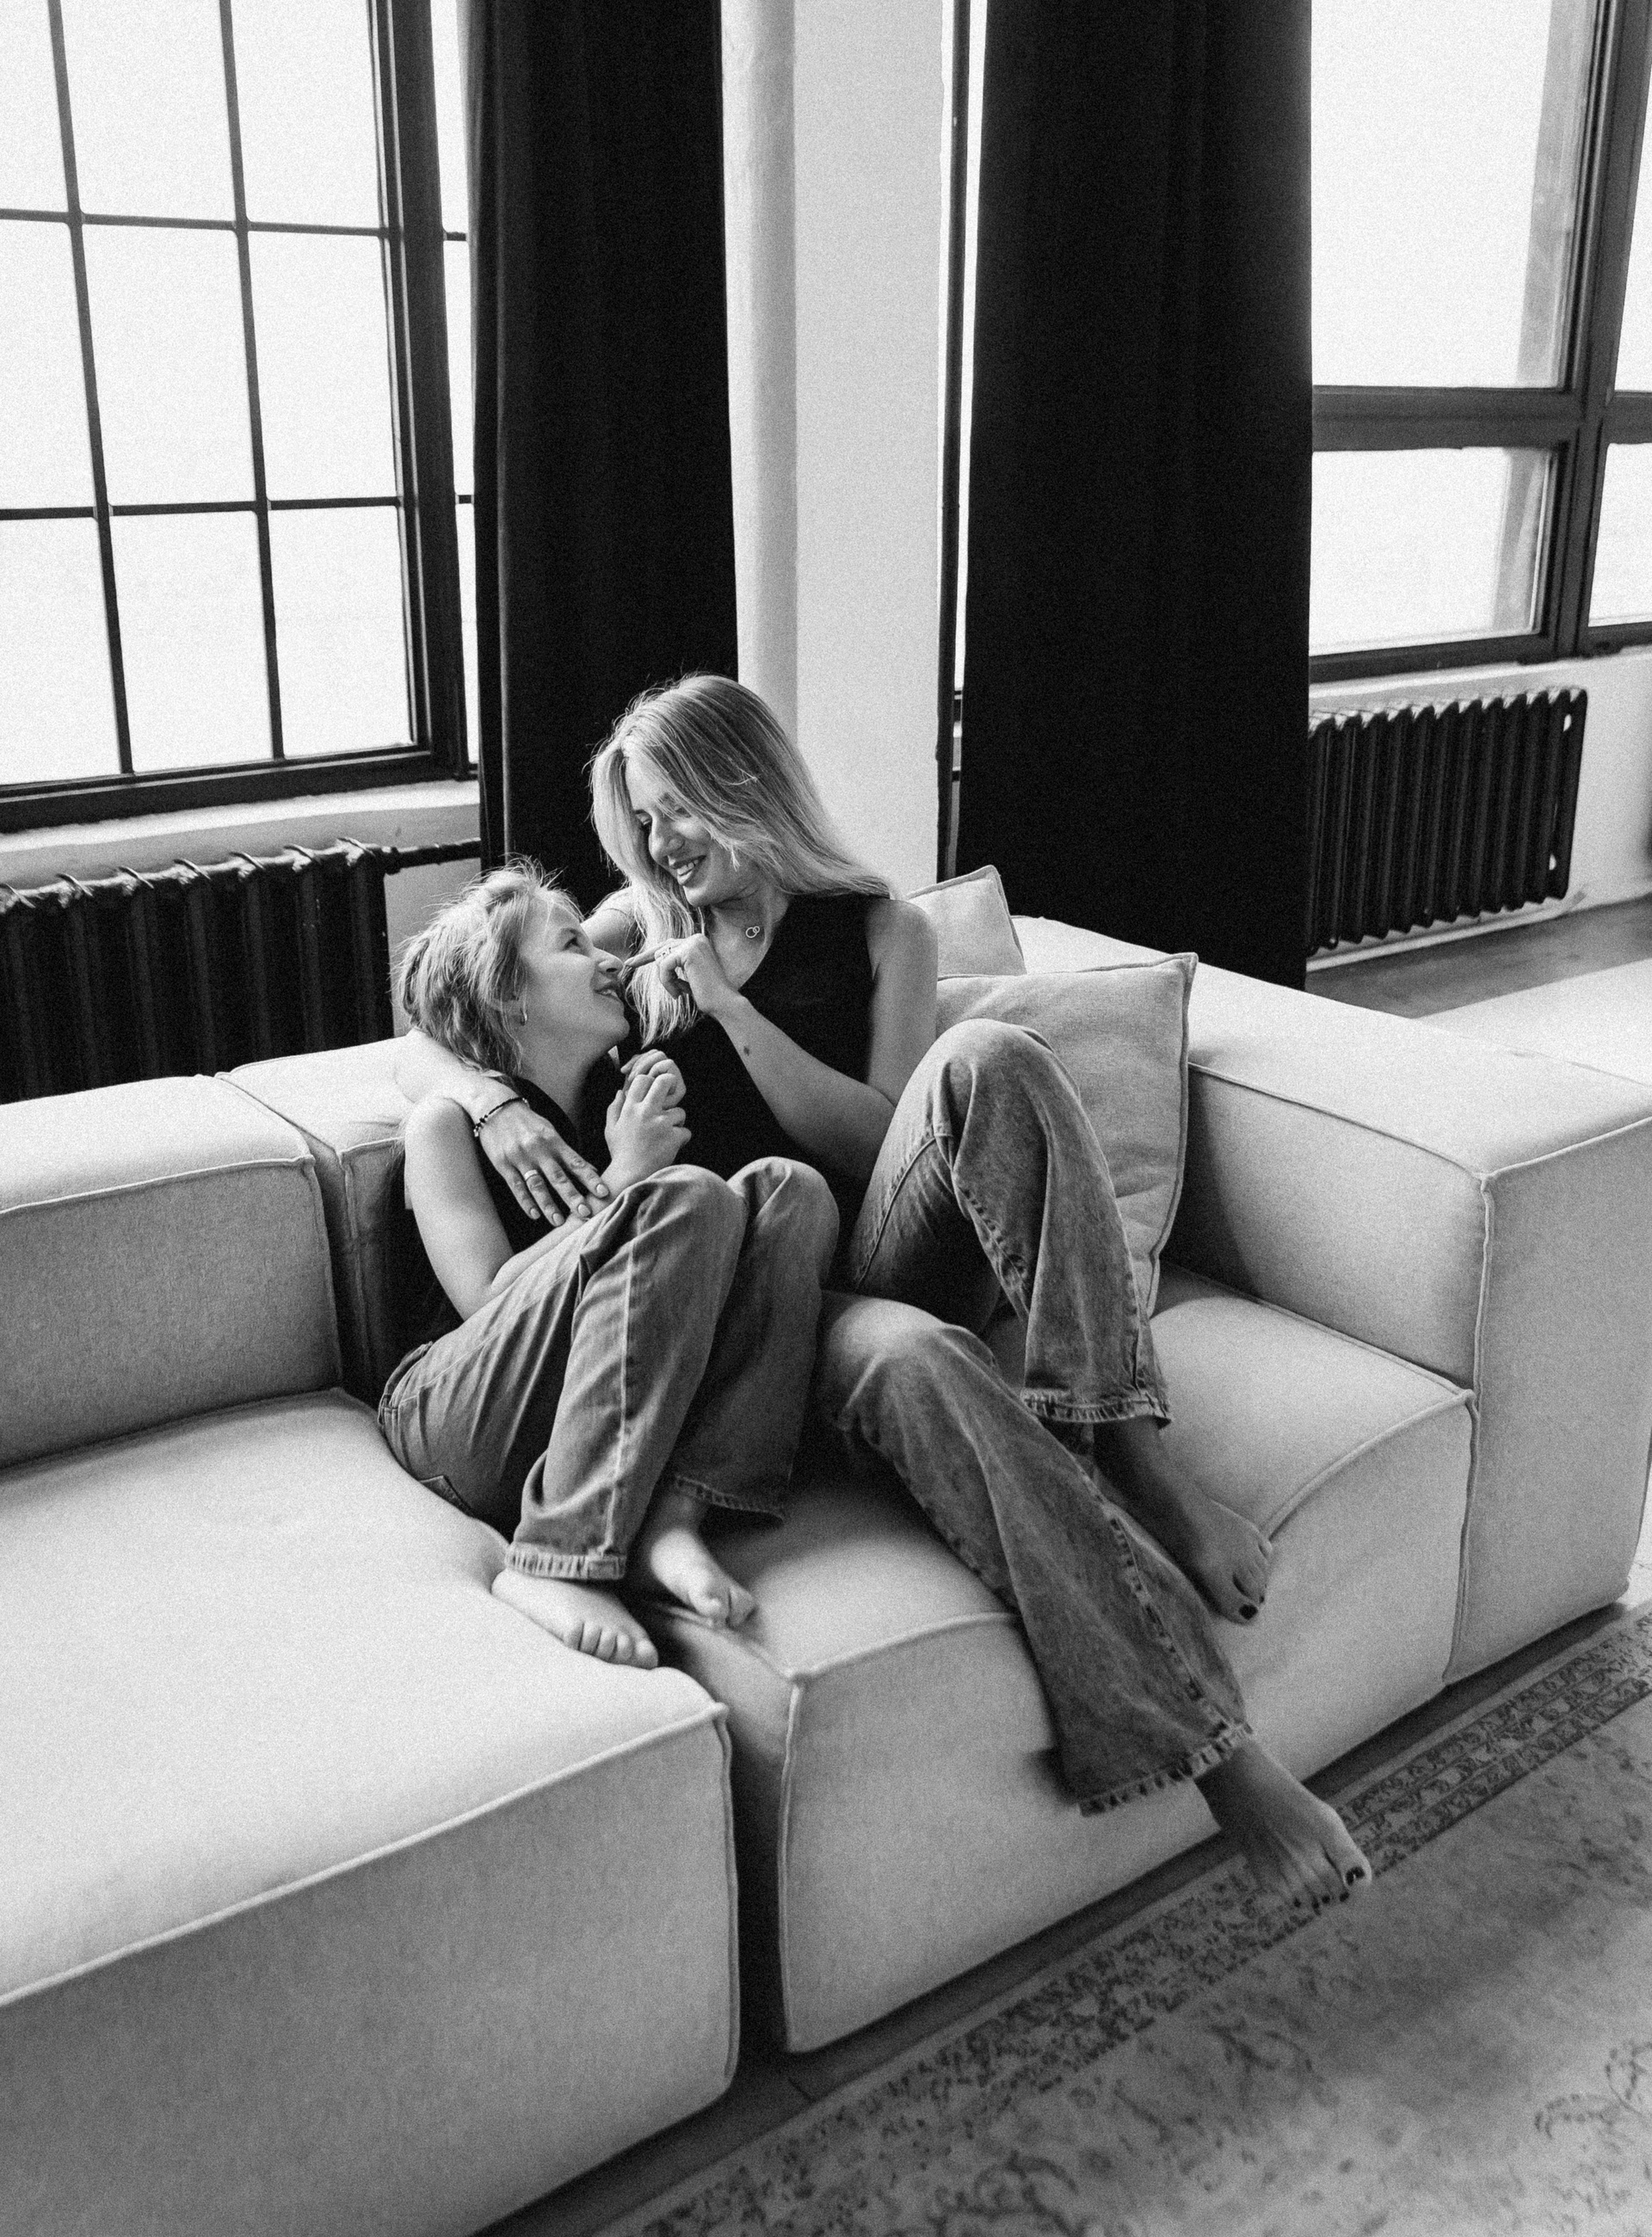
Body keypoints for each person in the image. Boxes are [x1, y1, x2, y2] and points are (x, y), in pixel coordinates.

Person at [397, 681, 1371, 1912]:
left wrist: (732, 1015)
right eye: (642, 822)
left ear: (746, 781)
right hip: (749, 1307)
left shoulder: (881, 933)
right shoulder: (634, 932)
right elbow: (448, 1004)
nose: (662, 843)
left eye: (678, 808)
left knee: (990, 1057)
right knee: (920, 1361)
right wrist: (482, 1098)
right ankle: (1223, 1761)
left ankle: (1135, 1453)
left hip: (862, 1245)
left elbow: (875, 1141)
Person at [381, 860, 838, 1668]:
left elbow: (689, 1266)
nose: (606, 959)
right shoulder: (446, 1126)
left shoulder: (620, 1100)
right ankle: (554, 1558)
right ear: (508, 995)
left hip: (575, 1405)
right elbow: (486, 1299)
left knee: (789, 1192)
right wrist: (628, 1179)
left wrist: (655, 1144)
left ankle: (675, 1516)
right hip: (454, 1413)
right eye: (572, 946)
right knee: (682, 1195)